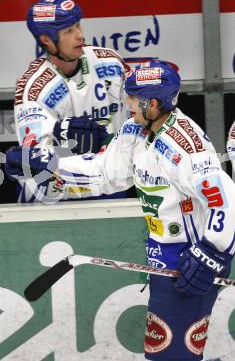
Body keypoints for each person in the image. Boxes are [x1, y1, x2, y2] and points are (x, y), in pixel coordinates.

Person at [6, 60, 235, 360]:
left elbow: (225, 202)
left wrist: (211, 255)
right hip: (163, 255)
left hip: (191, 260)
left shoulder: (186, 148)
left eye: (132, 98)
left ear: (152, 104)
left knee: (171, 357)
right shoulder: (136, 129)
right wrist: (47, 163)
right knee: (163, 353)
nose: (126, 103)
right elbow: (104, 172)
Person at [14, 0, 127, 203]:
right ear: (46, 40)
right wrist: (64, 141)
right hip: (57, 195)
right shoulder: (33, 90)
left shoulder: (110, 63)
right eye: (68, 31)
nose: (80, 35)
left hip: (107, 185)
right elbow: (35, 166)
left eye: (78, 26)